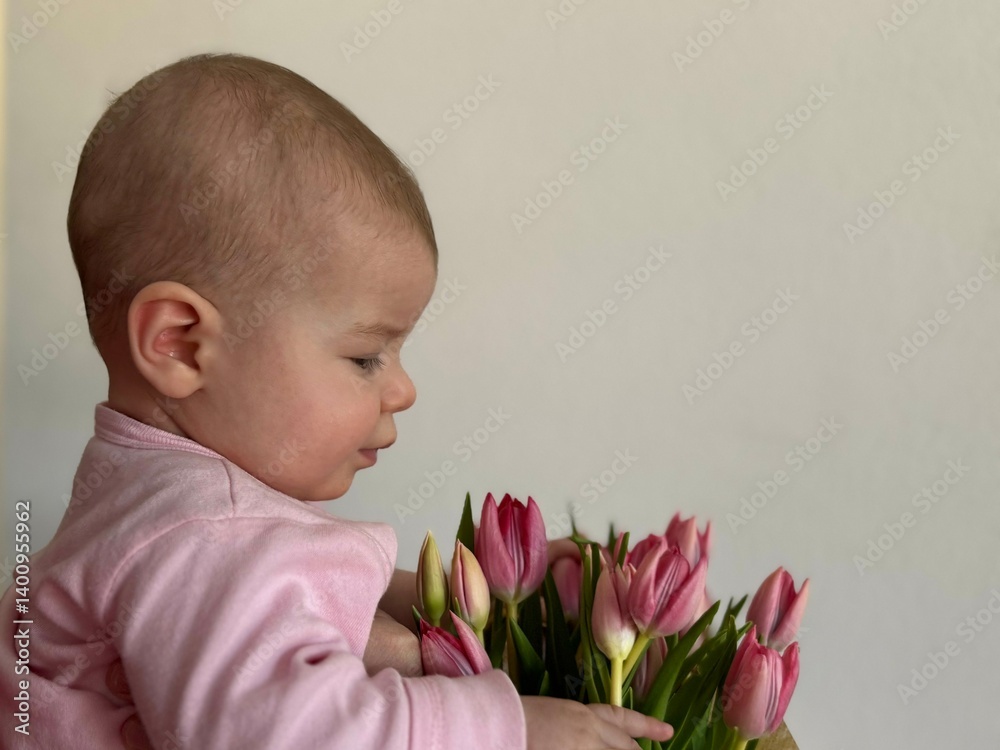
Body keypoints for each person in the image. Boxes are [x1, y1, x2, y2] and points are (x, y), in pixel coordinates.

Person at [0, 53, 674, 750]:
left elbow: (298, 597)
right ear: (181, 344)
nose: (403, 389)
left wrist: (482, 597)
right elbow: (287, 734)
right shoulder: (206, 533)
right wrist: (510, 729)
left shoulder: (159, 499)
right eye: (364, 357)